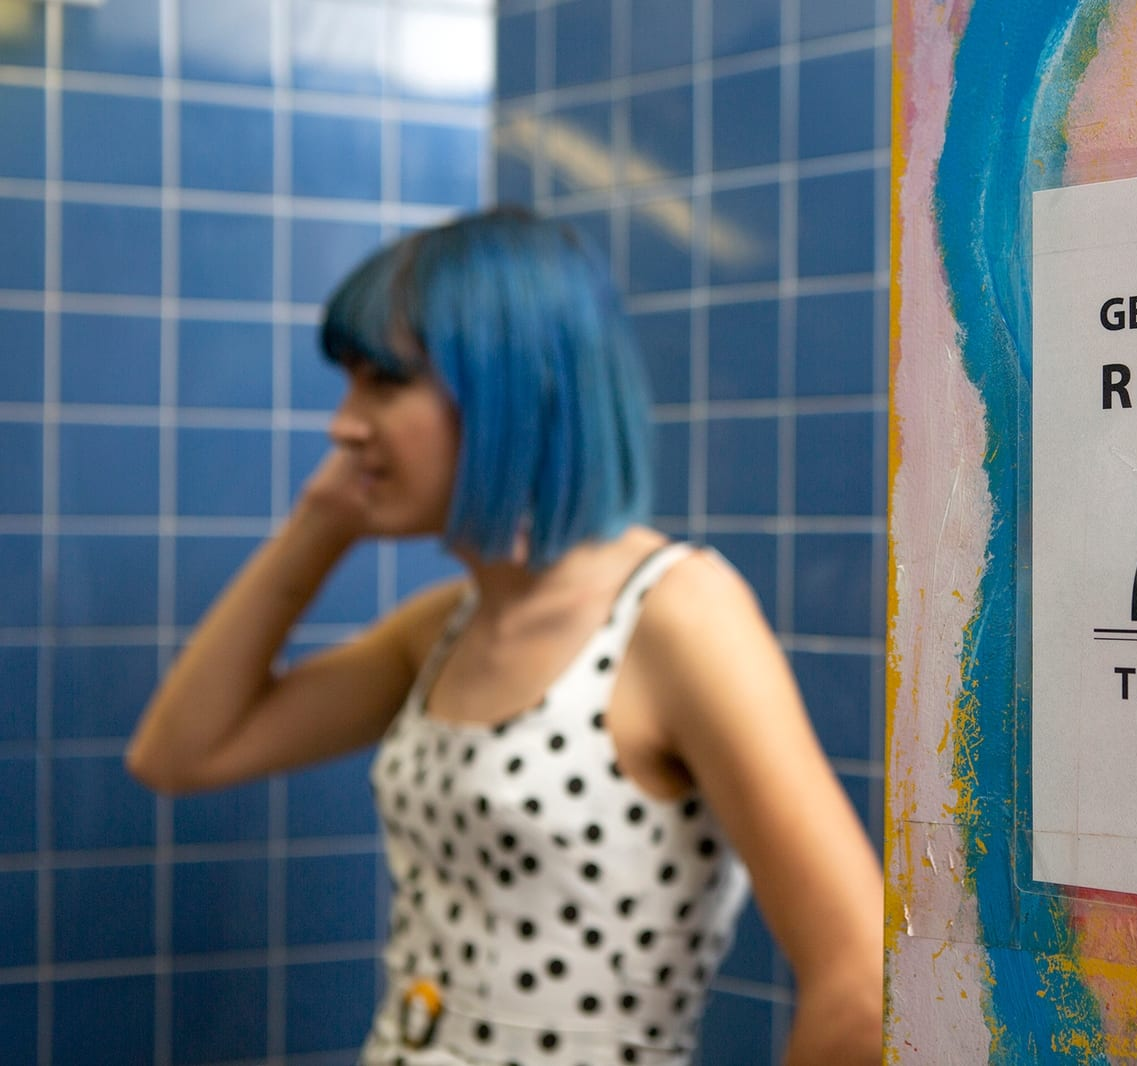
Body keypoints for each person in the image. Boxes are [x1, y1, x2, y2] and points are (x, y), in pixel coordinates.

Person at [126, 207, 883, 1065]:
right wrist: (319, 523)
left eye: (382, 381)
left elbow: (859, 982)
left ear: (509, 391)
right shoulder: (446, 627)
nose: (344, 423)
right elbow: (180, 753)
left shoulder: (677, 616)